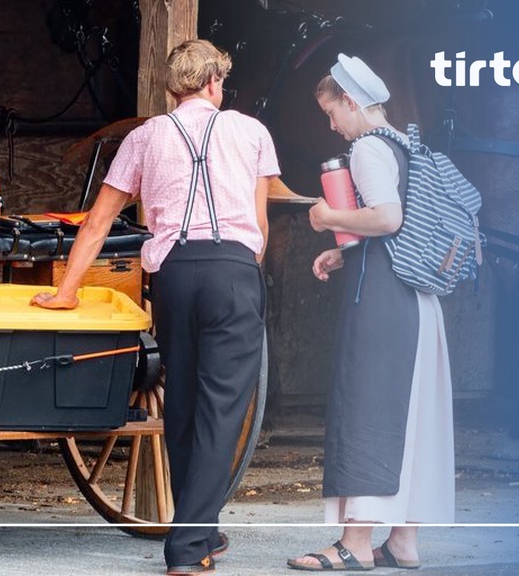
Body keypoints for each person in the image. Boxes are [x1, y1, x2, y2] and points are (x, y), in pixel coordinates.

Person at [32, 38, 280, 575]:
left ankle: (202, 530)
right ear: (215, 83)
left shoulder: (146, 136)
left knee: (184, 405)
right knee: (221, 411)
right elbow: (259, 228)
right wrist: (243, 278)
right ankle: (187, 548)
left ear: (172, 87)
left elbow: (97, 222)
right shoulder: (251, 132)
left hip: (174, 276)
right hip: (233, 272)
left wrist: (66, 290)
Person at [286, 53, 455, 571]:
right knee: (412, 419)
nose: (331, 125)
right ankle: (403, 541)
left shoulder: (366, 149)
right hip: (417, 303)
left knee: (366, 408)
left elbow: (387, 216)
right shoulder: (407, 146)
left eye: (331, 113)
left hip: (385, 307)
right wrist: (344, 250)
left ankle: (354, 544)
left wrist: (326, 216)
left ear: (350, 102)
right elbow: (396, 230)